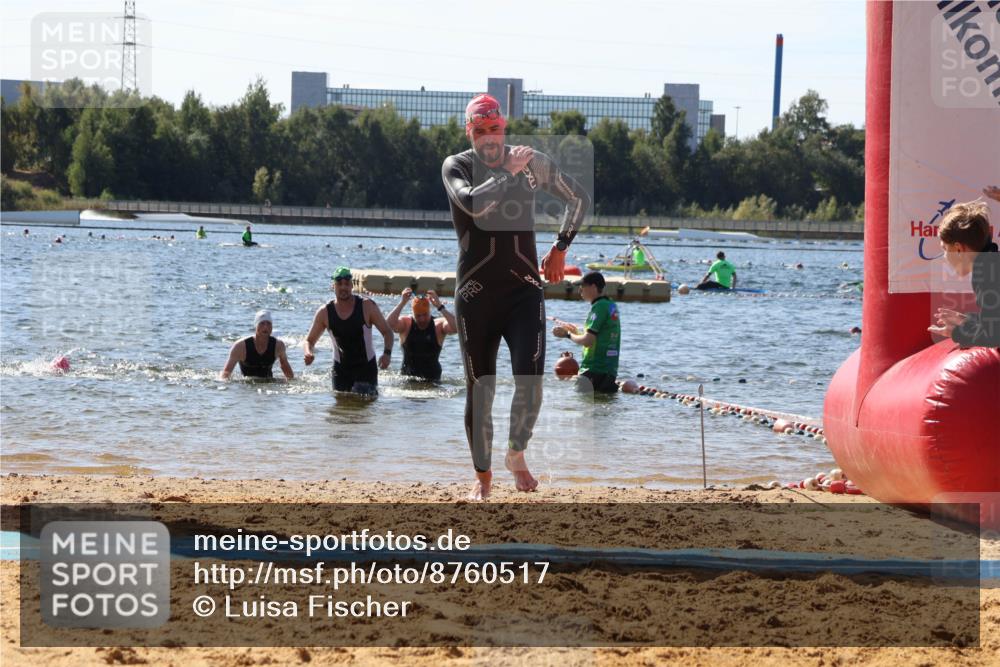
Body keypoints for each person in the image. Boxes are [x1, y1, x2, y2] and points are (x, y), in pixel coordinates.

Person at [442, 93, 591, 499]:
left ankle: (515, 453)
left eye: (495, 129)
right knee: (480, 389)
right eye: (480, 131)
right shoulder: (457, 166)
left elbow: (579, 198)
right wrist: (508, 172)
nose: (489, 138)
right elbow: (474, 205)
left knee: (531, 380)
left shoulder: (533, 162)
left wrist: (561, 246)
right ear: (469, 131)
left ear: (503, 128)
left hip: (524, 292)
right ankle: (483, 476)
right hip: (475, 295)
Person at [304, 266, 393, 395]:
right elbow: (309, 340)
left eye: (346, 284)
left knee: (365, 410)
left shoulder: (367, 306)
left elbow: (387, 332)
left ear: (352, 285)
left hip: (366, 368)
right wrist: (308, 353)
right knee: (340, 411)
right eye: (339, 284)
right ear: (333, 286)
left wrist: (387, 354)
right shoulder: (324, 312)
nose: (343, 287)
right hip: (341, 370)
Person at [928, 200, 1000, 347]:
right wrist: (967, 320)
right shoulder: (992, 262)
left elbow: (994, 337)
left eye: (945, 249)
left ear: (958, 249)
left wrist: (956, 332)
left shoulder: (986, 271)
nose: (944, 256)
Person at [552, 272, 621, 393]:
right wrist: (575, 332)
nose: (580, 290)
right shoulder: (611, 305)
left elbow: (588, 341)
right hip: (609, 371)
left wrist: (567, 335)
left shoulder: (598, 307)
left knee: (582, 409)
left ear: (593, 287)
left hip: (593, 370)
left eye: (582, 286)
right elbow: (599, 337)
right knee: (603, 409)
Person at [385, 288, 457, 382]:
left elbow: (456, 328)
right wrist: (402, 303)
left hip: (433, 381)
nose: (422, 319)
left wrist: (440, 307)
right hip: (407, 380)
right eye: (418, 316)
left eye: (425, 314)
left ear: (429, 312)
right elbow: (388, 325)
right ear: (413, 313)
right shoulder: (406, 324)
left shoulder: (438, 325)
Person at [220, 310, 294, 380]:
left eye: (269, 323)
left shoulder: (278, 346)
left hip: (269, 385)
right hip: (247, 388)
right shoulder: (240, 346)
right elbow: (226, 373)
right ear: (256, 326)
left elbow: (286, 369)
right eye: (262, 323)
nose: (266, 327)